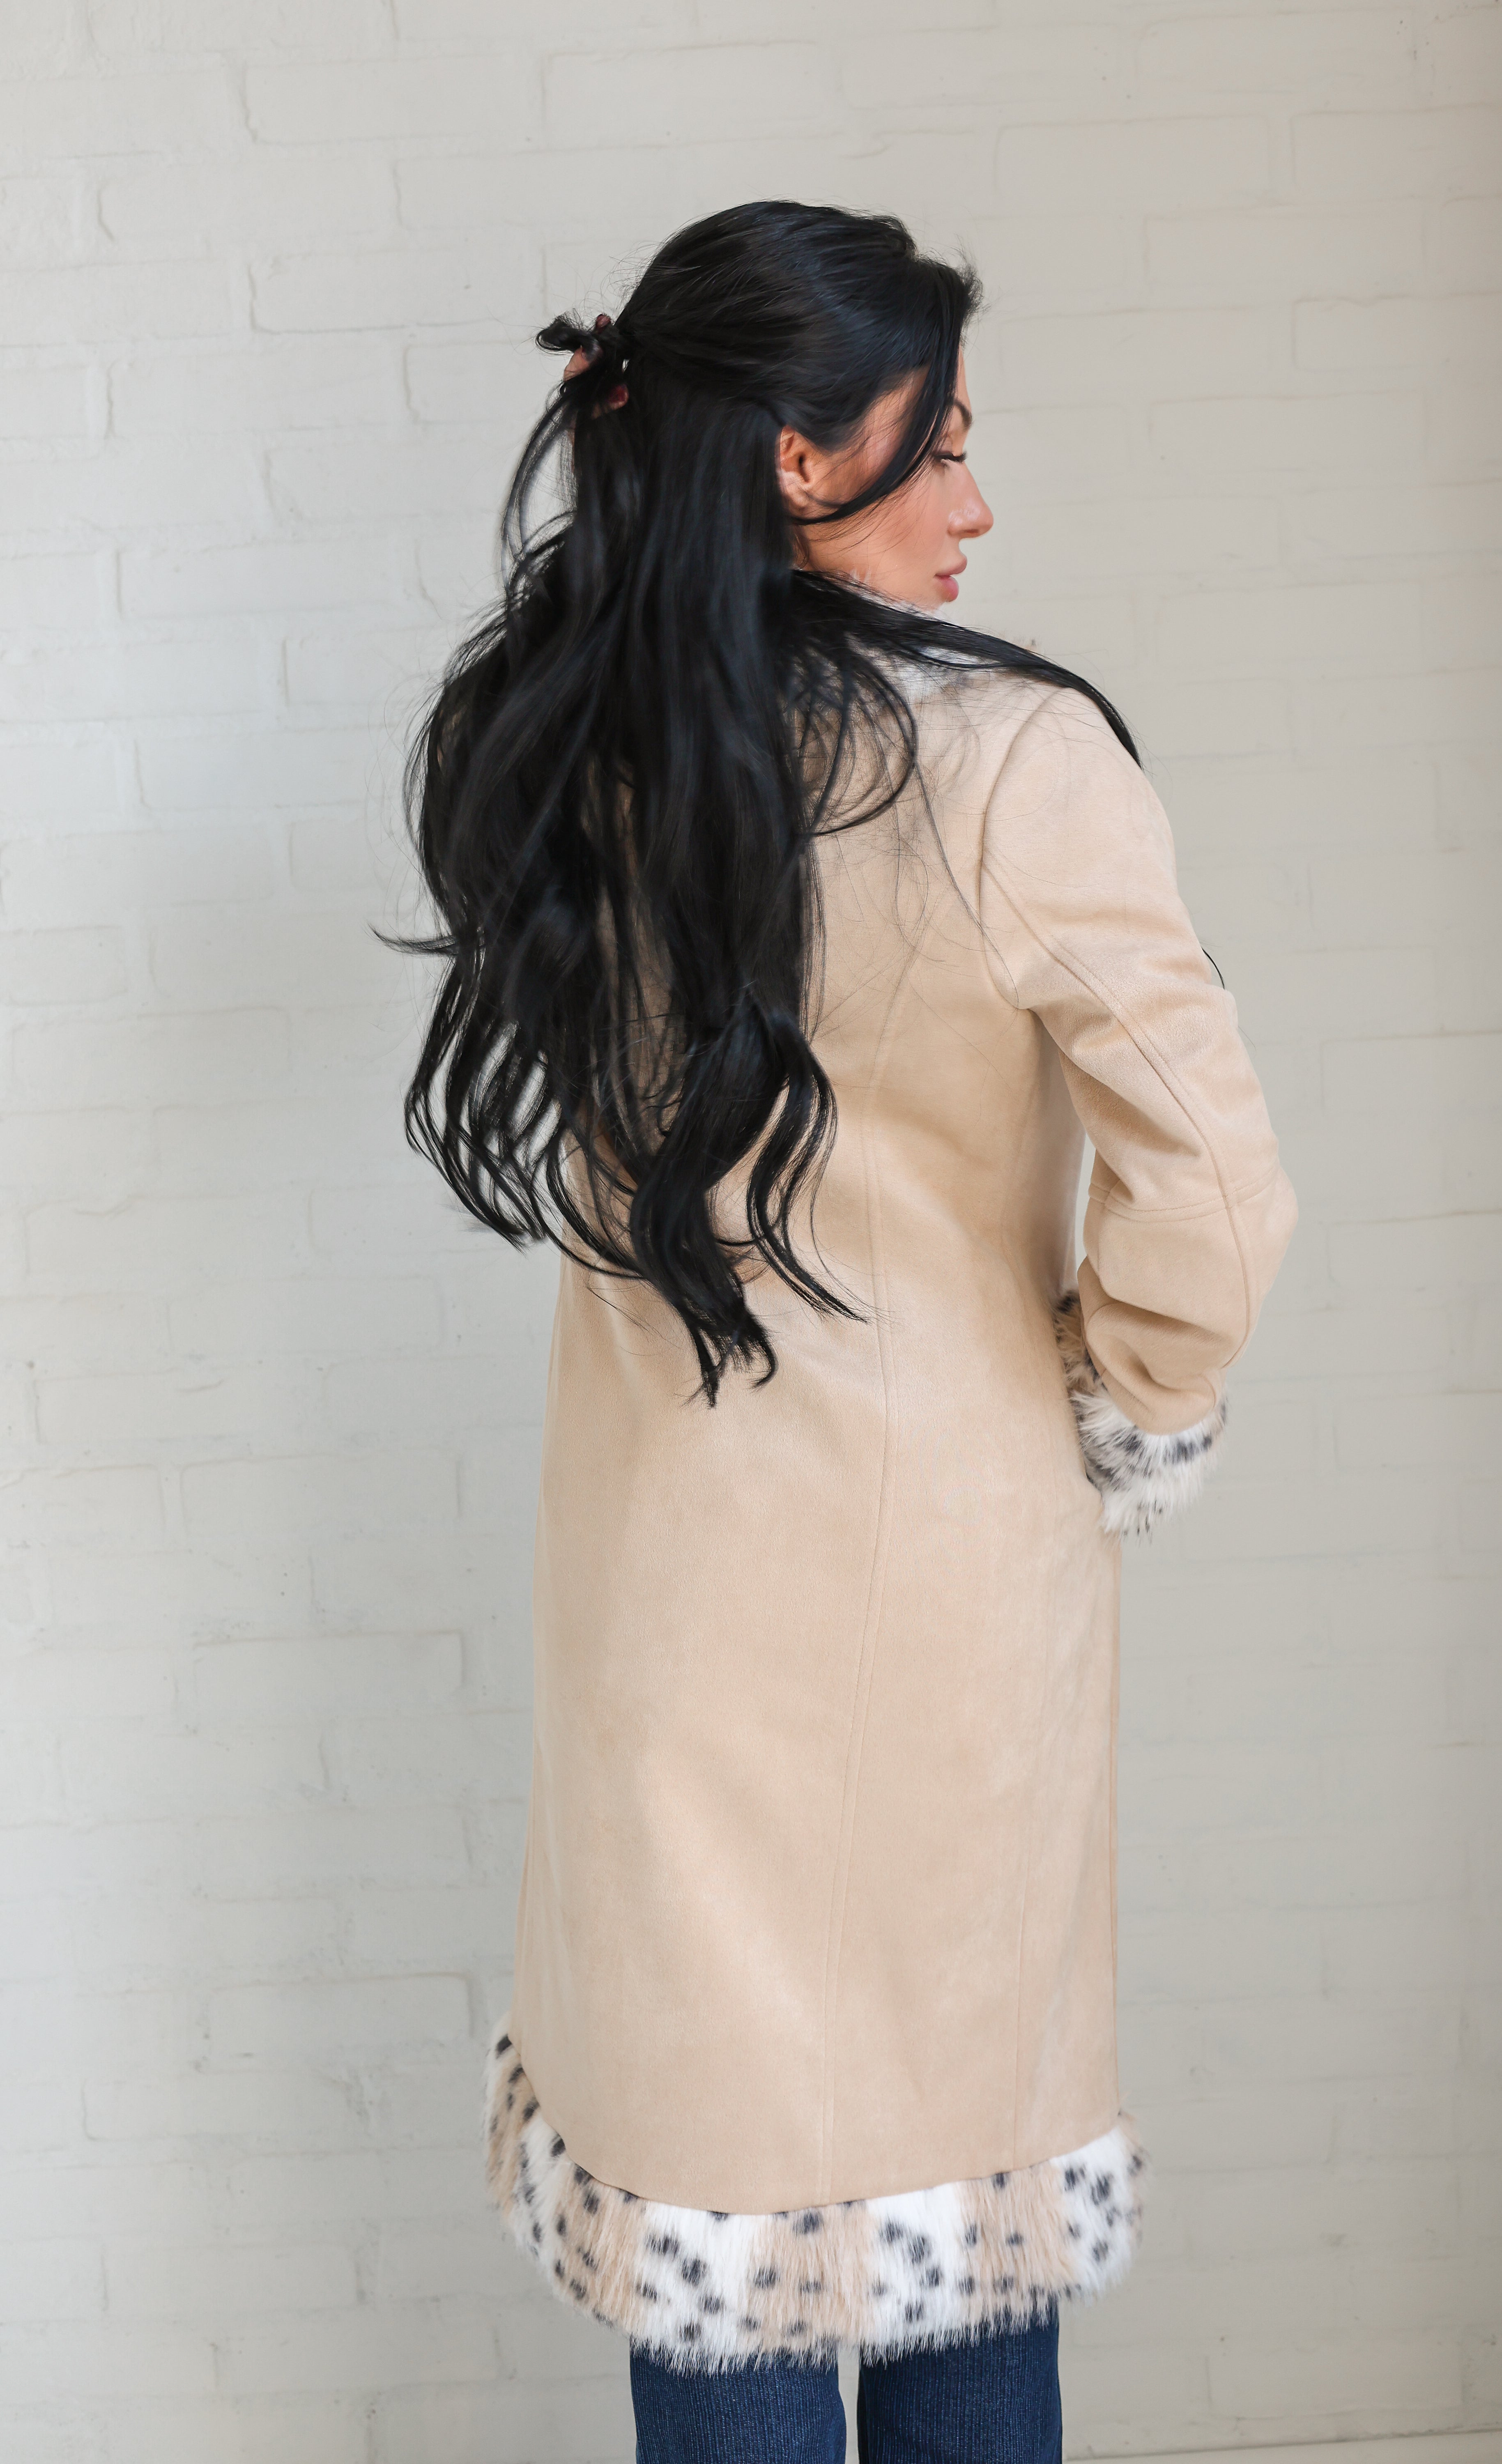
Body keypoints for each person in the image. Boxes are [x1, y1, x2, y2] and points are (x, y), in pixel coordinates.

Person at [399, 201, 1296, 2464]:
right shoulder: (1010, 767)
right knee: (955, 2205)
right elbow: (1217, 1190)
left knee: (706, 2233)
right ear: (801, 461)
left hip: (663, 1596)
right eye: (944, 444)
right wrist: (1134, 1400)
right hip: (945, 1616)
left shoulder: (570, 742)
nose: (976, 504)